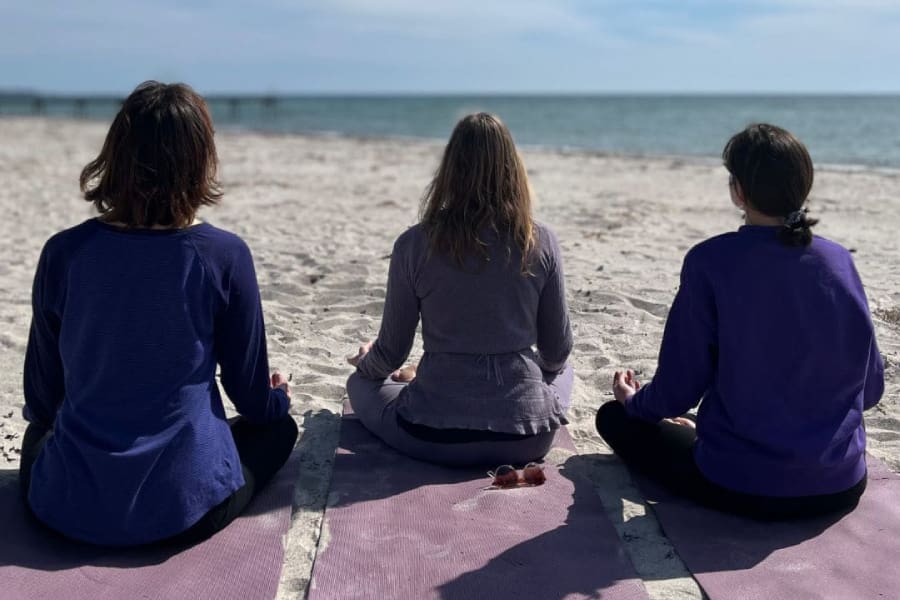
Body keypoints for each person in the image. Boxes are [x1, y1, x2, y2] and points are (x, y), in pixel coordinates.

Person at [19, 81, 298, 546]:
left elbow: (42, 399)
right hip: (184, 512)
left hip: (68, 509)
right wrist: (279, 400)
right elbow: (251, 398)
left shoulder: (64, 252)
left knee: (39, 434)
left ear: (116, 154)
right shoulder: (224, 255)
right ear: (200, 159)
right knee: (278, 429)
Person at [595, 123, 884, 520]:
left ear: (739, 191)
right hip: (840, 484)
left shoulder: (710, 261)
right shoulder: (839, 261)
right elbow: (870, 388)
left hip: (742, 485)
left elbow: (678, 390)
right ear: (803, 186)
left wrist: (634, 401)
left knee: (613, 417)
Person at [346, 113, 574, 467]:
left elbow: (391, 353)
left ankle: (425, 377)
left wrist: (366, 363)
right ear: (513, 169)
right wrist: (528, 374)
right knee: (564, 369)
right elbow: (557, 351)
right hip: (526, 440)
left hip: (432, 434)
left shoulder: (414, 244)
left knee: (358, 384)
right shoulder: (540, 240)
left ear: (450, 170)